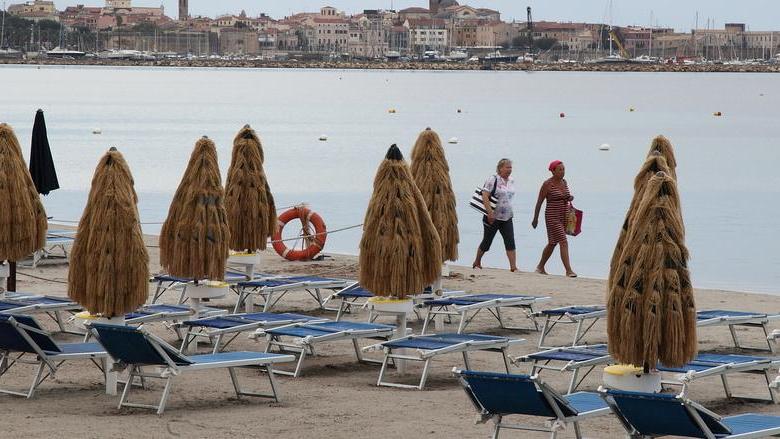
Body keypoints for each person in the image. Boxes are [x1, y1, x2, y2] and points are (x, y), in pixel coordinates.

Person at [532, 160, 577, 277]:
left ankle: (540, 267)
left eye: (563, 169)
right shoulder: (547, 184)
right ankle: (568, 270)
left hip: (564, 216)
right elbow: (539, 202)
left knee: (552, 243)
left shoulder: (564, 182)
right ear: (553, 171)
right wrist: (535, 218)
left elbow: (565, 196)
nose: (562, 172)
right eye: (560, 170)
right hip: (552, 217)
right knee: (563, 241)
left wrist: (569, 197)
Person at [472, 158, 518, 272]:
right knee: (487, 241)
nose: (509, 170)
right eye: (507, 167)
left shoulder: (511, 180)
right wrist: (490, 213)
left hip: (507, 216)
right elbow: (484, 195)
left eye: (510, 167)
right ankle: (477, 261)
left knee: (510, 240)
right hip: (492, 216)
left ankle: (513, 267)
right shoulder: (493, 179)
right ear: (500, 168)